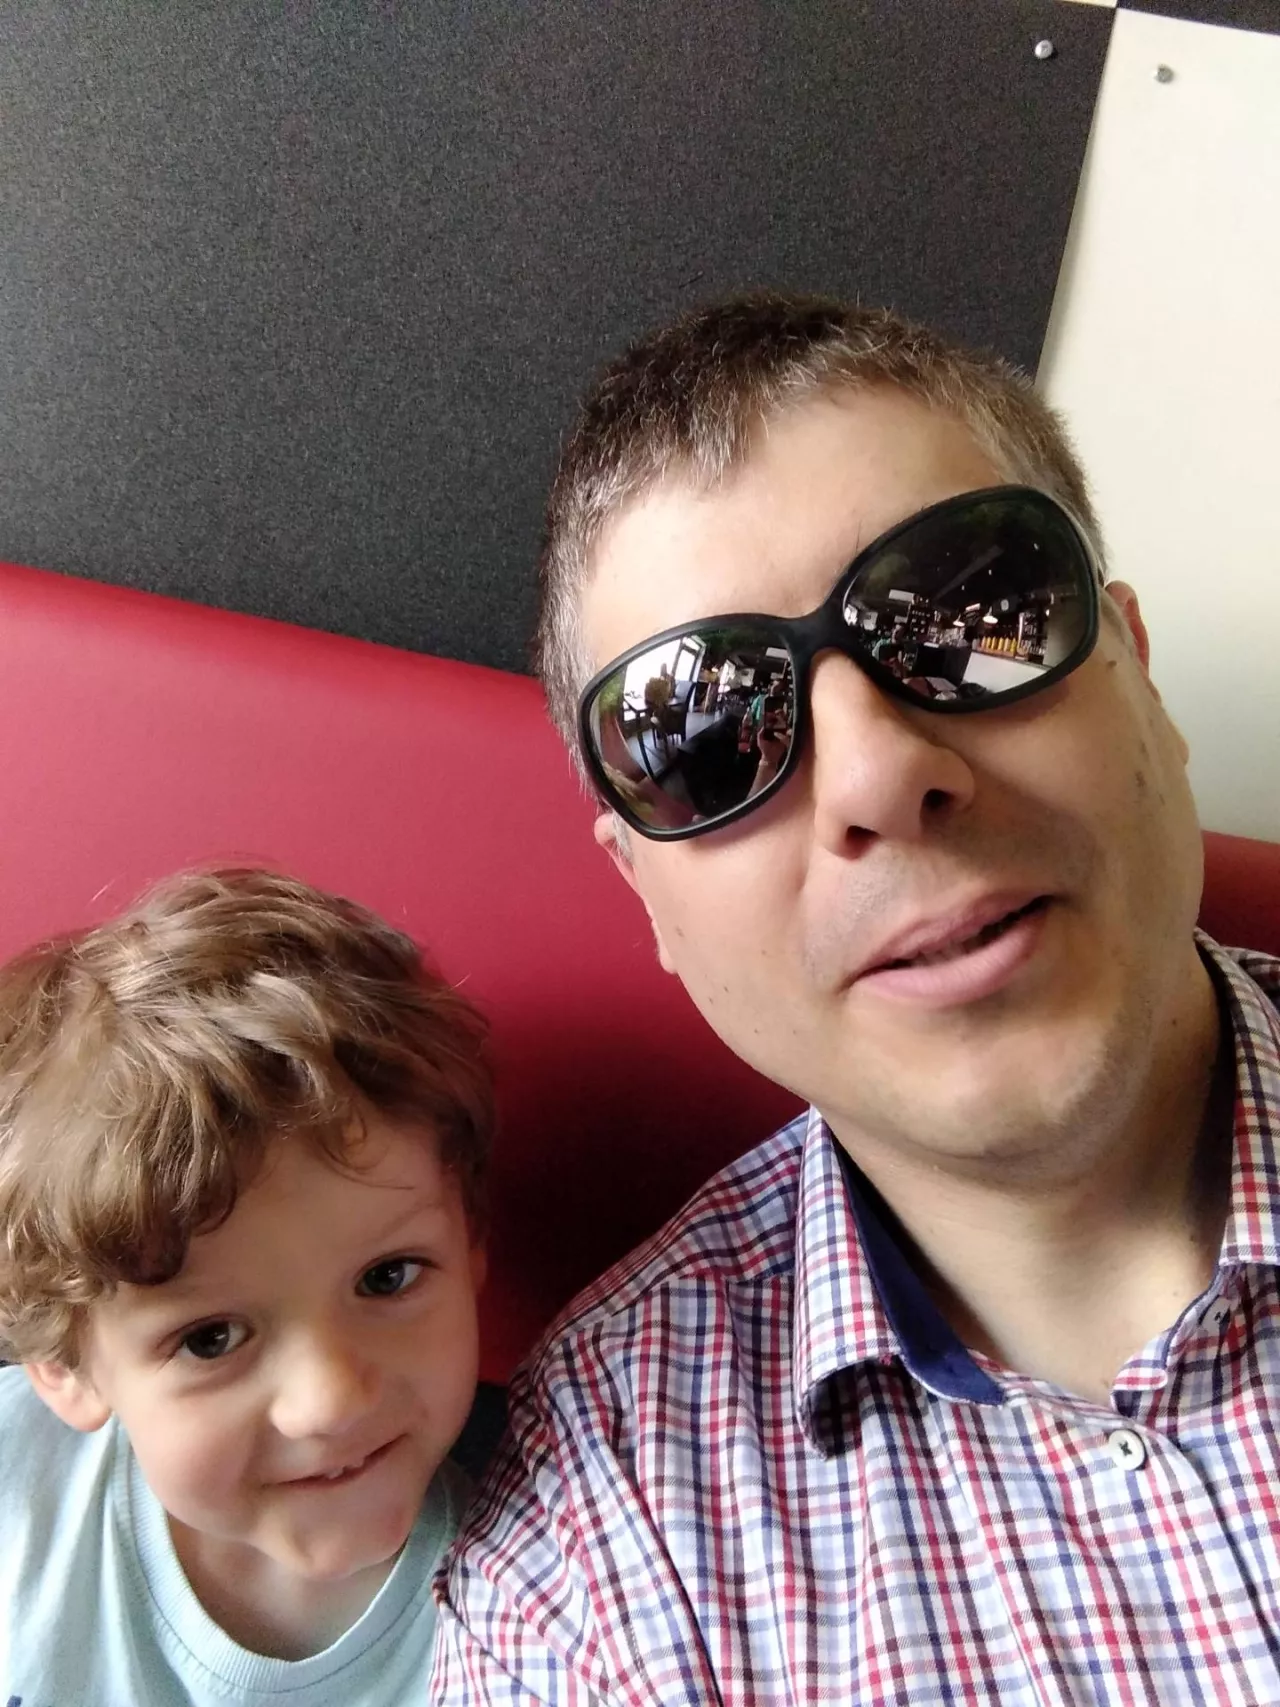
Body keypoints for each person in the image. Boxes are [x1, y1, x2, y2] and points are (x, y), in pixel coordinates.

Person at [433, 291, 1280, 1705]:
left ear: (1137, 670)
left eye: (966, 614)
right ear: (643, 893)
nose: (881, 776)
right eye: (707, 735)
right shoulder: (593, 1561)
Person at [0, 866, 492, 1706]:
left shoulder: (558, 1580)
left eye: (387, 1277)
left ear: (471, 1245)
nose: (331, 1399)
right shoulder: (18, 1482)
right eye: (210, 1337)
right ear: (64, 1364)